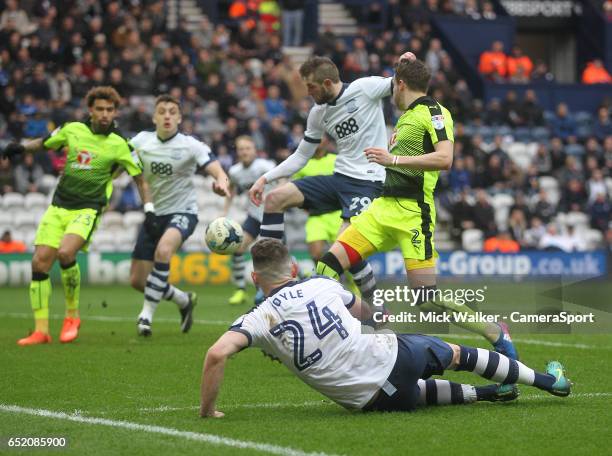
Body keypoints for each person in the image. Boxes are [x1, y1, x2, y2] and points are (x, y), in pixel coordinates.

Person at [199, 239, 571, 417]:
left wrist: (208, 410)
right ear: (293, 270)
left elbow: (217, 353)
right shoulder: (322, 284)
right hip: (391, 359)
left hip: (367, 401)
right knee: (456, 354)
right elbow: (370, 315)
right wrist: (380, 315)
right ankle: (549, 381)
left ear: (254, 277)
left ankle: (494, 394)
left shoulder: (256, 319)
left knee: (416, 391)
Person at [315, 58, 519, 360]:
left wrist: (392, 160)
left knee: (426, 299)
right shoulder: (406, 116)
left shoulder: (435, 113)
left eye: (392, 84)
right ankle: (369, 325)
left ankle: (494, 332)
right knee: (325, 268)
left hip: (414, 214)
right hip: (382, 209)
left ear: (400, 84)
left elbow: (445, 159)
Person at [249, 55, 413, 302]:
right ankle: (273, 281)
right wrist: (265, 178)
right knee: (274, 198)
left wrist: (406, 63)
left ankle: (377, 308)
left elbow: (399, 83)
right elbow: (302, 155)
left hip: (369, 181)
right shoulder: (318, 113)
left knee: (343, 248)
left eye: (311, 87)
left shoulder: (364, 88)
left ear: (326, 83)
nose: (307, 92)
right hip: (340, 177)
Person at [1, 86, 155, 346]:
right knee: (39, 263)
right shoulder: (71, 130)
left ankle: (72, 316)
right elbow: (45, 143)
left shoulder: (120, 145)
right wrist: (21, 149)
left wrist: (149, 209)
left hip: (88, 208)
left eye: (110, 109)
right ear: (91, 110)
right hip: (59, 205)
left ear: (115, 112)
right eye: (100, 109)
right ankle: (41, 331)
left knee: (65, 253)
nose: (105, 114)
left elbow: (140, 180)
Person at [129, 94, 230, 336]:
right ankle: (183, 300)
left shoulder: (190, 145)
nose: (167, 116)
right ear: (154, 117)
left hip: (183, 211)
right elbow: (129, 172)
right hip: (154, 213)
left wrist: (221, 184)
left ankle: (146, 316)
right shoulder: (140, 142)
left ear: (180, 118)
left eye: (172, 112)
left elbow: (219, 171)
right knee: (137, 281)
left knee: (163, 251)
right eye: (162, 111)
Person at [225, 135, 276, 305]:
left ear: (254, 150)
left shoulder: (265, 166)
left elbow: (283, 179)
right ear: (237, 152)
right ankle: (240, 290)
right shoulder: (234, 171)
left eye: (247, 148)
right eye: (241, 149)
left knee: (274, 255)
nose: (244, 152)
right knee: (238, 248)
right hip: (254, 216)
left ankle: (271, 289)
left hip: (273, 216)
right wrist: (224, 213)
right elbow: (230, 189)